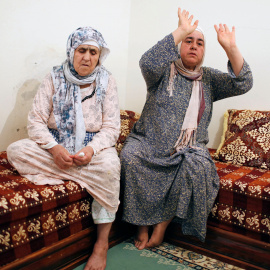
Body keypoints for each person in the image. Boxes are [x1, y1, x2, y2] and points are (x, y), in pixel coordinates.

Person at [120, 8, 253, 250]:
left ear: (203, 50)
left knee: (199, 166)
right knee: (129, 157)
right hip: (148, 143)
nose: (193, 46)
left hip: (187, 148)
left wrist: (230, 47)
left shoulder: (209, 79)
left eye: (199, 43)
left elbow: (243, 83)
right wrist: (181, 29)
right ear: (179, 45)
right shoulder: (162, 72)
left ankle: (160, 226)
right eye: (188, 41)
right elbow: (147, 62)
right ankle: (140, 226)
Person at [7, 26, 120, 270]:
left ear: (100, 55)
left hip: (92, 149)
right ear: (71, 51)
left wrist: (90, 150)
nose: (87, 57)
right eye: (82, 50)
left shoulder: (106, 81)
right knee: (16, 150)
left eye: (93, 51)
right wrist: (54, 148)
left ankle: (101, 244)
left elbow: (111, 128)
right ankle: (80, 175)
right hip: (56, 145)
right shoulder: (54, 77)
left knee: (111, 167)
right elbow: (36, 121)